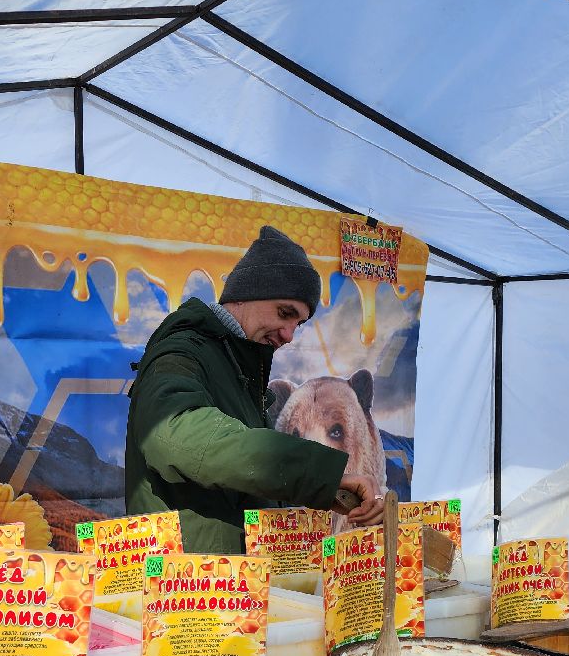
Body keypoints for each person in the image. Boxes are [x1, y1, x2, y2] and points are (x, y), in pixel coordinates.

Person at [125, 225, 385, 553]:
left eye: (299, 323)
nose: (290, 334)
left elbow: (243, 475)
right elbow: (175, 435)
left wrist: (326, 492)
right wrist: (319, 473)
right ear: (247, 294)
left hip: (234, 580)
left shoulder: (241, 367)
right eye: (285, 313)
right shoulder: (181, 353)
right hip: (188, 584)